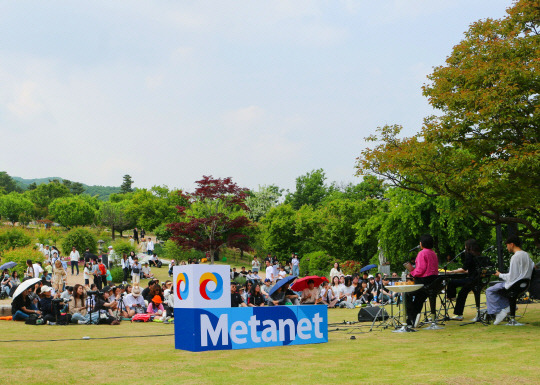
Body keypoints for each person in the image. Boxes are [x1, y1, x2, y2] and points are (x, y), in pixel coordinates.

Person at [486, 235, 535, 325]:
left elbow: (512, 276)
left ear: (511, 244)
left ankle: (500, 311)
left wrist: (499, 274)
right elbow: (533, 266)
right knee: (498, 289)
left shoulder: (515, 257)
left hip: (514, 285)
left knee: (490, 290)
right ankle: (508, 309)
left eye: (507, 245)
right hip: (525, 284)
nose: (507, 247)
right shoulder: (526, 255)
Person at [404, 234, 440, 327]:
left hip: (424, 280)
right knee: (419, 298)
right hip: (433, 280)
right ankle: (413, 319)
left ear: (422, 243)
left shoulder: (422, 253)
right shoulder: (433, 253)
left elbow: (421, 269)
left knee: (406, 293)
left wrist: (412, 272)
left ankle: (411, 317)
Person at [447, 239, 482, 321]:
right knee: (462, 293)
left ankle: (451, 297)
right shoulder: (478, 255)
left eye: (465, 246)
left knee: (452, 282)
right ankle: (459, 314)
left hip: (471, 279)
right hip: (476, 278)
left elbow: (463, 269)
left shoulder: (469, 255)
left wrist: (452, 271)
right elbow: (471, 268)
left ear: (468, 246)